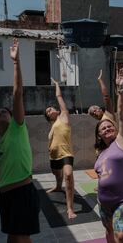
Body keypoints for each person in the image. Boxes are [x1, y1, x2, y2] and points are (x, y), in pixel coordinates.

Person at [0, 38, 40, 242]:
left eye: (4, 111)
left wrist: (15, 62)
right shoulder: (1, 144)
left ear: (13, 118)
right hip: (5, 198)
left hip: (22, 193)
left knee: (20, 239)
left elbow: (17, 93)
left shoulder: (17, 129)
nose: (0, 113)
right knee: (13, 239)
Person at [94, 68, 123, 243]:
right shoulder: (100, 153)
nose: (108, 128)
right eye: (103, 128)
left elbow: (121, 115)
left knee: (122, 236)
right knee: (110, 233)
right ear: (99, 135)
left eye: (109, 125)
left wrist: (120, 89)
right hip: (104, 202)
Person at [45, 79, 77, 219]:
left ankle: (70, 208)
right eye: (48, 110)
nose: (51, 109)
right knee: (57, 175)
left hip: (66, 153)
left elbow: (59, 97)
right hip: (53, 155)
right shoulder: (52, 126)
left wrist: (57, 84)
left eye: (51, 108)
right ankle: (58, 186)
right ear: (48, 116)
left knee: (68, 176)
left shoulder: (64, 116)